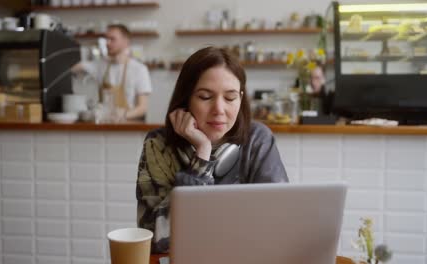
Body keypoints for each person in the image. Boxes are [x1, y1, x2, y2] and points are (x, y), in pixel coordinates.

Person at [136, 46, 289, 253]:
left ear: (241, 98)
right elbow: (155, 238)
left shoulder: (257, 139)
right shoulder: (158, 144)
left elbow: (281, 224)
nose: (219, 109)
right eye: (205, 97)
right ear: (186, 99)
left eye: (230, 97)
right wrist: (202, 154)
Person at [73, 24, 152, 121]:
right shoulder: (101, 65)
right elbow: (75, 67)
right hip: (105, 126)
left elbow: (142, 108)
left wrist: (123, 115)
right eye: (106, 39)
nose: (107, 43)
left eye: (112, 39)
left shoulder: (139, 69)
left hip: (129, 127)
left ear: (126, 41)